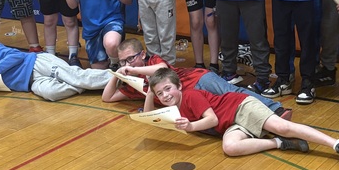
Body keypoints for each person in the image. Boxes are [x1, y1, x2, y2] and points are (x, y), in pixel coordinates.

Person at [144, 69, 339, 167]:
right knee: (230, 147)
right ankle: (280, 143)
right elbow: (148, 116)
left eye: (168, 89)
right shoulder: (172, 106)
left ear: (179, 86)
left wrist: (191, 126)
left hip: (239, 107)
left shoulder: (189, 95)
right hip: (231, 124)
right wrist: (149, 94)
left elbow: (211, 120)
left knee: (282, 126)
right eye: (160, 93)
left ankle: (338, 144)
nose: (165, 95)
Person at [103, 38, 289, 118]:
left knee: (233, 92)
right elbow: (108, 98)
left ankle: (276, 109)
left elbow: (161, 69)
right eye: (123, 61)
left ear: (142, 54)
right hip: (192, 99)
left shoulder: (153, 60)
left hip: (198, 80)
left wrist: (134, 71)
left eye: (131, 58)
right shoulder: (132, 83)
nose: (128, 64)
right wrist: (116, 74)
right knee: (229, 104)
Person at [0, 28, 113, 101]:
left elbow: (16, 56)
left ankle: (124, 76)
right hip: (32, 83)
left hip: (37, 63)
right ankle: (82, 84)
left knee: (78, 76)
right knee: (50, 94)